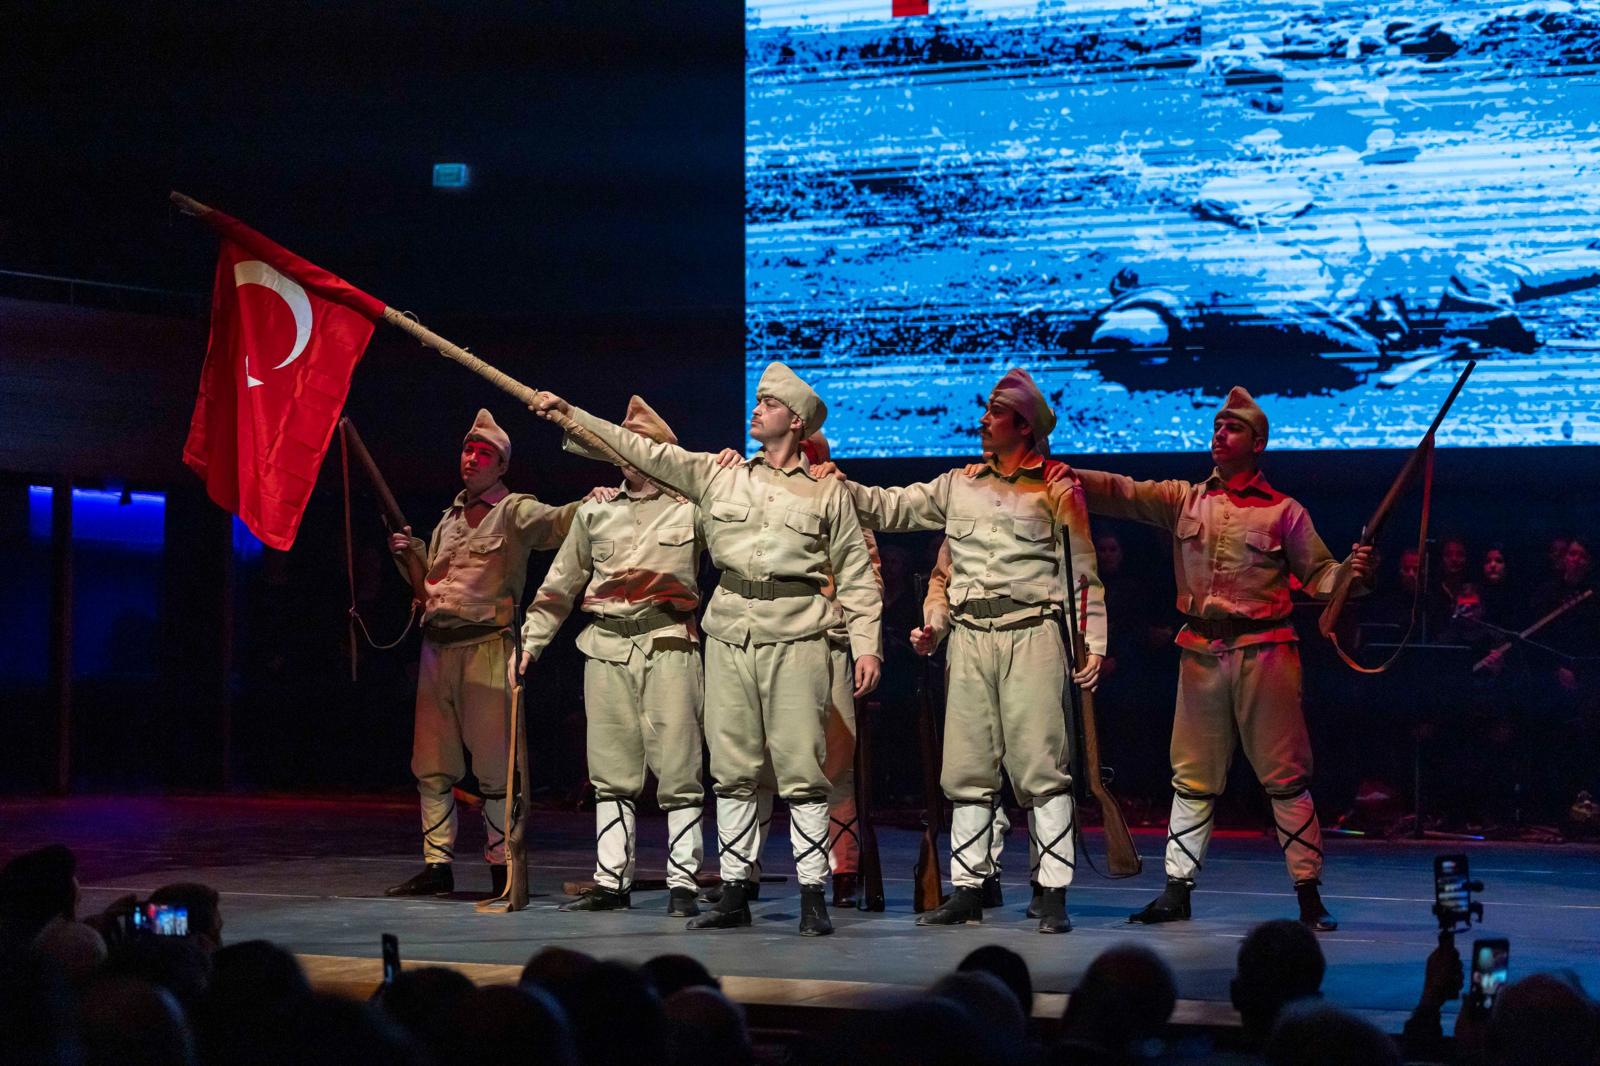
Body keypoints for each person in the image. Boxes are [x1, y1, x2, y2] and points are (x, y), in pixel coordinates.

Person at [529, 363, 883, 936]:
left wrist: (867, 646)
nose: (756, 409)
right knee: (733, 769)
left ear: (795, 421)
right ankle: (735, 891)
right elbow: (639, 450)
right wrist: (570, 416)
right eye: (757, 400)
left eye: (768, 403)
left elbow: (857, 574)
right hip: (730, 632)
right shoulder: (719, 476)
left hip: (797, 632)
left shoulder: (828, 493)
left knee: (801, 765)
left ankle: (812, 893)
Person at [1058, 387, 1372, 930]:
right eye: (1218, 426)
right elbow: (1122, 491)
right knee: (1192, 777)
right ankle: (1176, 890)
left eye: (1233, 427)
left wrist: (1350, 574)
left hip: (1265, 652)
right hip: (1201, 652)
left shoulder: (1284, 511)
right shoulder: (1184, 499)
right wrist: (1060, 473)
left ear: (1258, 442)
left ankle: (1308, 894)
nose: (1220, 434)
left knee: (1286, 776)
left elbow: (1321, 577)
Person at [818, 367, 1107, 934]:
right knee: (967, 768)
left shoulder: (1056, 486)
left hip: (1033, 632)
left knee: (1041, 766)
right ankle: (968, 888)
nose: (983, 420)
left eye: (996, 412)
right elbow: (890, 507)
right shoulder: (959, 484)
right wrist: (832, 483)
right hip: (972, 637)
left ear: (1023, 426)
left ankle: (1052, 892)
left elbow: (1082, 571)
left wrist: (1091, 642)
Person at [517, 396, 707, 917]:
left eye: (639, 445)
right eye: (622, 445)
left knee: (680, 767)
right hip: (606, 646)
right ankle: (611, 879)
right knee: (610, 770)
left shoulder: (691, 507)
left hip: (668, 641)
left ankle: (684, 882)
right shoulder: (596, 509)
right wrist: (531, 642)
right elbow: (561, 583)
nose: (627, 454)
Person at [385, 410, 579, 898]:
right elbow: (429, 588)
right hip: (438, 649)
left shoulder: (514, 511)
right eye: (468, 450)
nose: (472, 459)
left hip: (488, 648)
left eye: (484, 453)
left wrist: (597, 501)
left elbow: (560, 523)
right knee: (431, 762)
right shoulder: (448, 518)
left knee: (496, 769)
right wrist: (409, 556)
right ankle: (437, 865)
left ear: (502, 465)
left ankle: (501, 865)